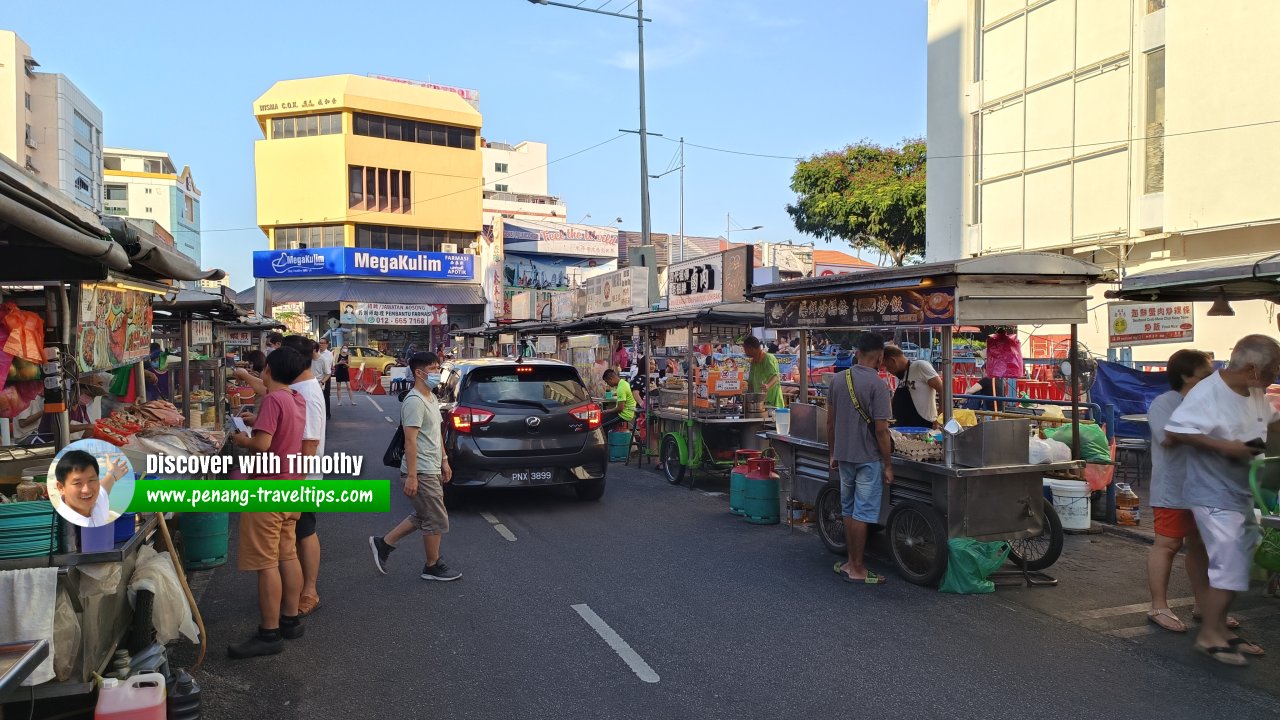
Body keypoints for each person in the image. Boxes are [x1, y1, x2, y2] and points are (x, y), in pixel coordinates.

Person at [1166, 334, 1280, 666]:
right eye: (1275, 367)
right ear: (1254, 368)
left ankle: (1221, 630)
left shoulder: (1255, 392)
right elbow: (1177, 431)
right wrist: (1225, 447)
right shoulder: (1208, 392)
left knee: (1239, 563)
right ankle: (1209, 636)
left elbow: (1272, 425)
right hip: (1212, 491)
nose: (1277, 373)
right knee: (1230, 567)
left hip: (1242, 487)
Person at [228, 346, 308, 659]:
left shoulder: (273, 400)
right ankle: (291, 619)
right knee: (287, 554)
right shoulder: (295, 398)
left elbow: (262, 444)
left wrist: (241, 438)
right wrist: (257, 420)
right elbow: (281, 434)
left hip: (268, 489)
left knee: (266, 563)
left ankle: (269, 632)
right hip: (292, 486)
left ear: (268, 371)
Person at [369, 352, 461, 582]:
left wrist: (444, 461)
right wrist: (411, 476)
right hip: (421, 469)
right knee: (436, 519)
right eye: (432, 369)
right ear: (419, 372)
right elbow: (410, 440)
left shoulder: (430, 397)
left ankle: (384, 543)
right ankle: (432, 566)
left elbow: (435, 434)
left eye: (438, 368)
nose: (437, 373)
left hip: (431, 465)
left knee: (423, 515)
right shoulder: (414, 401)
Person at [1146, 349, 1217, 634]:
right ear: (1186, 376)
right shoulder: (1165, 403)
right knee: (1168, 545)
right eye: (1206, 375)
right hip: (1173, 489)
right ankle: (1158, 606)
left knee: (1199, 546)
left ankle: (1203, 604)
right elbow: (1168, 438)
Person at [826, 332, 893, 584]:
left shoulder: (837, 380)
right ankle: (857, 567)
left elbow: (830, 422)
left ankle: (848, 563)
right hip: (868, 457)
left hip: (844, 456)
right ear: (880, 357)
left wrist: (832, 452)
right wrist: (888, 464)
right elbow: (881, 430)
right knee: (863, 511)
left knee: (848, 509)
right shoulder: (878, 385)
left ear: (857, 354)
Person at [279, 336, 328, 617]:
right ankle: (295, 588)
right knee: (295, 536)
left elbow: (309, 443)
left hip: (303, 479)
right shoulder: (299, 386)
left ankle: (309, 590)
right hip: (296, 476)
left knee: (305, 532)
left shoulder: (306, 392)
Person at [52, 448, 129, 527]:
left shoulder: (97, 501)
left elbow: (104, 487)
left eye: (91, 480)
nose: (87, 490)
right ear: (61, 488)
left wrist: (112, 474)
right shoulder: (61, 526)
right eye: (78, 483)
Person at [881, 345, 943, 428]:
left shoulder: (920, 366)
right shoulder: (903, 376)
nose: (887, 370)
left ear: (893, 360)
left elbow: (943, 390)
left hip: (924, 427)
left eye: (887, 366)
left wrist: (939, 419)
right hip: (904, 429)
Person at [743, 336, 785, 409]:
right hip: (759, 402)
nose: (745, 352)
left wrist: (768, 386)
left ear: (751, 348)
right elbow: (751, 383)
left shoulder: (768, 358)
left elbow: (775, 377)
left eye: (745, 349)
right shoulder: (754, 362)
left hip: (772, 403)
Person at [315, 339, 334, 420]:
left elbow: (328, 366)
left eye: (323, 343)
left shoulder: (329, 354)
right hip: (316, 378)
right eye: (320, 343)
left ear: (327, 344)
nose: (321, 345)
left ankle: (327, 413)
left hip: (325, 377)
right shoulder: (316, 352)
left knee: (326, 396)